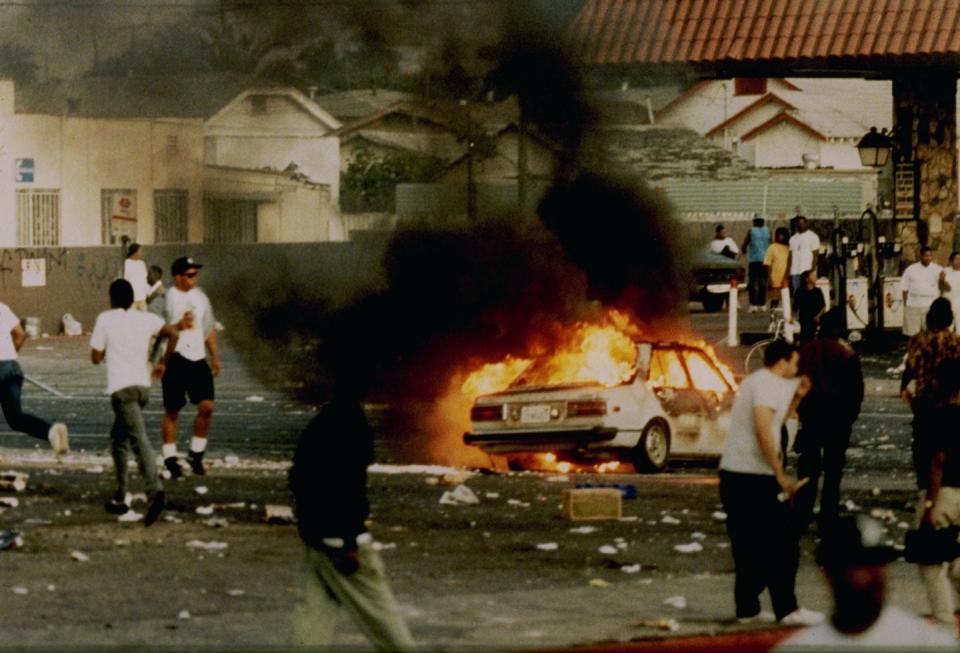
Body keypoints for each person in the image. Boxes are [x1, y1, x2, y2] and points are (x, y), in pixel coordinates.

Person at [289, 385, 415, 651]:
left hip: (316, 538)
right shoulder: (350, 425)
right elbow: (347, 486)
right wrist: (349, 541)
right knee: (384, 620)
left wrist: (308, 524)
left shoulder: (321, 424)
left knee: (311, 620)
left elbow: (298, 477)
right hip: (340, 542)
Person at [718, 339, 824, 627]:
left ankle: (747, 609)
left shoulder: (762, 383)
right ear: (783, 361)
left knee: (748, 543)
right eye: (795, 362)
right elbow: (763, 426)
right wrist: (779, 473)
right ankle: (786, 608)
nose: (797, 368)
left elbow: (779, 421)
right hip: (751, 477)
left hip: (738, 474)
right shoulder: (765, 383)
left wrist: (798, 397)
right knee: (783, 541)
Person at [775, 515, 957, 650]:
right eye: (855, 564)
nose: (867, 575)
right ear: (827, 573)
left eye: (875, 563)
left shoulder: (927, 643)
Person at [90, 279, 181, 526]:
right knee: (119, 440)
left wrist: (108, 348)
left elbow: (95, 357)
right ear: (132, 298)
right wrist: (162, 360)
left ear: (111, 298)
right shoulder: (145, 318)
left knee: (138, 439)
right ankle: (120, 496)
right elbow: (172, 332)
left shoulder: (105, 319)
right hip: (143, 387)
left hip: (122, 389)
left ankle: (155, 490)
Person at [901, 297, 960, 625]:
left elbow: (907, 379)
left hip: (928, 421)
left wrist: (928, 507)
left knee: (932, 558)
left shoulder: (919, 343)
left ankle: (945, 621)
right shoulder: (957, 344)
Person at [794, 308, 865, 530]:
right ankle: (828, 513)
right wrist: (850, 416)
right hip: (837, 418)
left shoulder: (805, 351)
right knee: (833, 470)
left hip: (812, 417)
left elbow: (794, 384)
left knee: (808, 467)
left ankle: (802, 512)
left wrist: (800, 412)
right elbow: (856, 390)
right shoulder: (846, 353)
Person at [161, 257, 220, 478]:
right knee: (172, 410)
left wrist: (214, 357)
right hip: (175, 358)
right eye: (189, 275)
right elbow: (156, 328)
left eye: (196, 274)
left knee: (207, 406)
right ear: (177, 277)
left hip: (197, 358)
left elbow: (209, 327)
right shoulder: (166, 298)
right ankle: (170, 458)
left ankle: (196, 454)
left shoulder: (201, 297)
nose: (194, 279)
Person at [0, 301, 68, 454]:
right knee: (16, 418)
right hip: (12, 368)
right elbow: (20, 334)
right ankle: (51, 431)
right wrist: (9, 356)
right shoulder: (2, 307)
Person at [901, 246, 944, 337]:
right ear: (920, 256)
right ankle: (913, 350)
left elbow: (943, 287)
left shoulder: (938, 269)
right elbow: (904, 288)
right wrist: (906, 304)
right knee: (913, 334)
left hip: (930, 305)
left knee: (931, 333)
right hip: (913, 305)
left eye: (930, 256)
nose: (928, 258)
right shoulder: (910, 269)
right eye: (925, 256)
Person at [742, 215, 771, 312]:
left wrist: (743, 250)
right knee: (763, 283)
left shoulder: (751, 231)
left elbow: (745, 244)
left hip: (754, 260)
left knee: (753, 282)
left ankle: (753, 304)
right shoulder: (768, 231)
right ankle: (762, 304)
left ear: (754, 221)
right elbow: (771, 244)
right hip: (765, 260)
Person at [792, 269, 826, 344]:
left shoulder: (817, 291)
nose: (814, 277)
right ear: (806, 279)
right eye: (812, 276)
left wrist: (818, 316)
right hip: (804, 320)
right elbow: (795, 307)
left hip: (815, 320)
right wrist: (793, 318)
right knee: (804, 339)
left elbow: (823, 306)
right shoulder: (799, 291)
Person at [788, 216, 820, 294]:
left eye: (802, 223)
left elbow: (815, 255)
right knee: (797, 294)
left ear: (806, 224)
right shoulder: (792, 239)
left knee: (808, 294)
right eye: (798, 223)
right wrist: (788, 271)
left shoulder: (813, 237)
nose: (800, 225)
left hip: (807, 272)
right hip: (795, 272)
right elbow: (790, 256)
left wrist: (812, 271)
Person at [764, 227, 791, 307]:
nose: (780, 237)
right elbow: (767, 263)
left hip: (786, 279)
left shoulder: (789, 248)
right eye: (778, 235)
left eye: (782, 235)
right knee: (774, 301)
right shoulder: (772, 247)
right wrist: (769, 278)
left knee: (787, 301)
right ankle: (773, 318)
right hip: (775, 280)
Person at [123, 243, 150, 311]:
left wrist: (147, 292)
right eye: (140, 251)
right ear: (135, 253)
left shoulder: (142, 263)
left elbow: (145, 279)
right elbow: (126, 280)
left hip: (142, 297)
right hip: (132, 298)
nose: (142, 253)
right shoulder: (127, 263)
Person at [939, 251, 960, 330]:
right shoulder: (945, 271)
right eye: (956, 259)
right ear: (951, 260)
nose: (959, 261)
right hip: (947, 303)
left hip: (959, 304)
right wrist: (942, 280)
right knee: (947, 328)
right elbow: (944, 288)